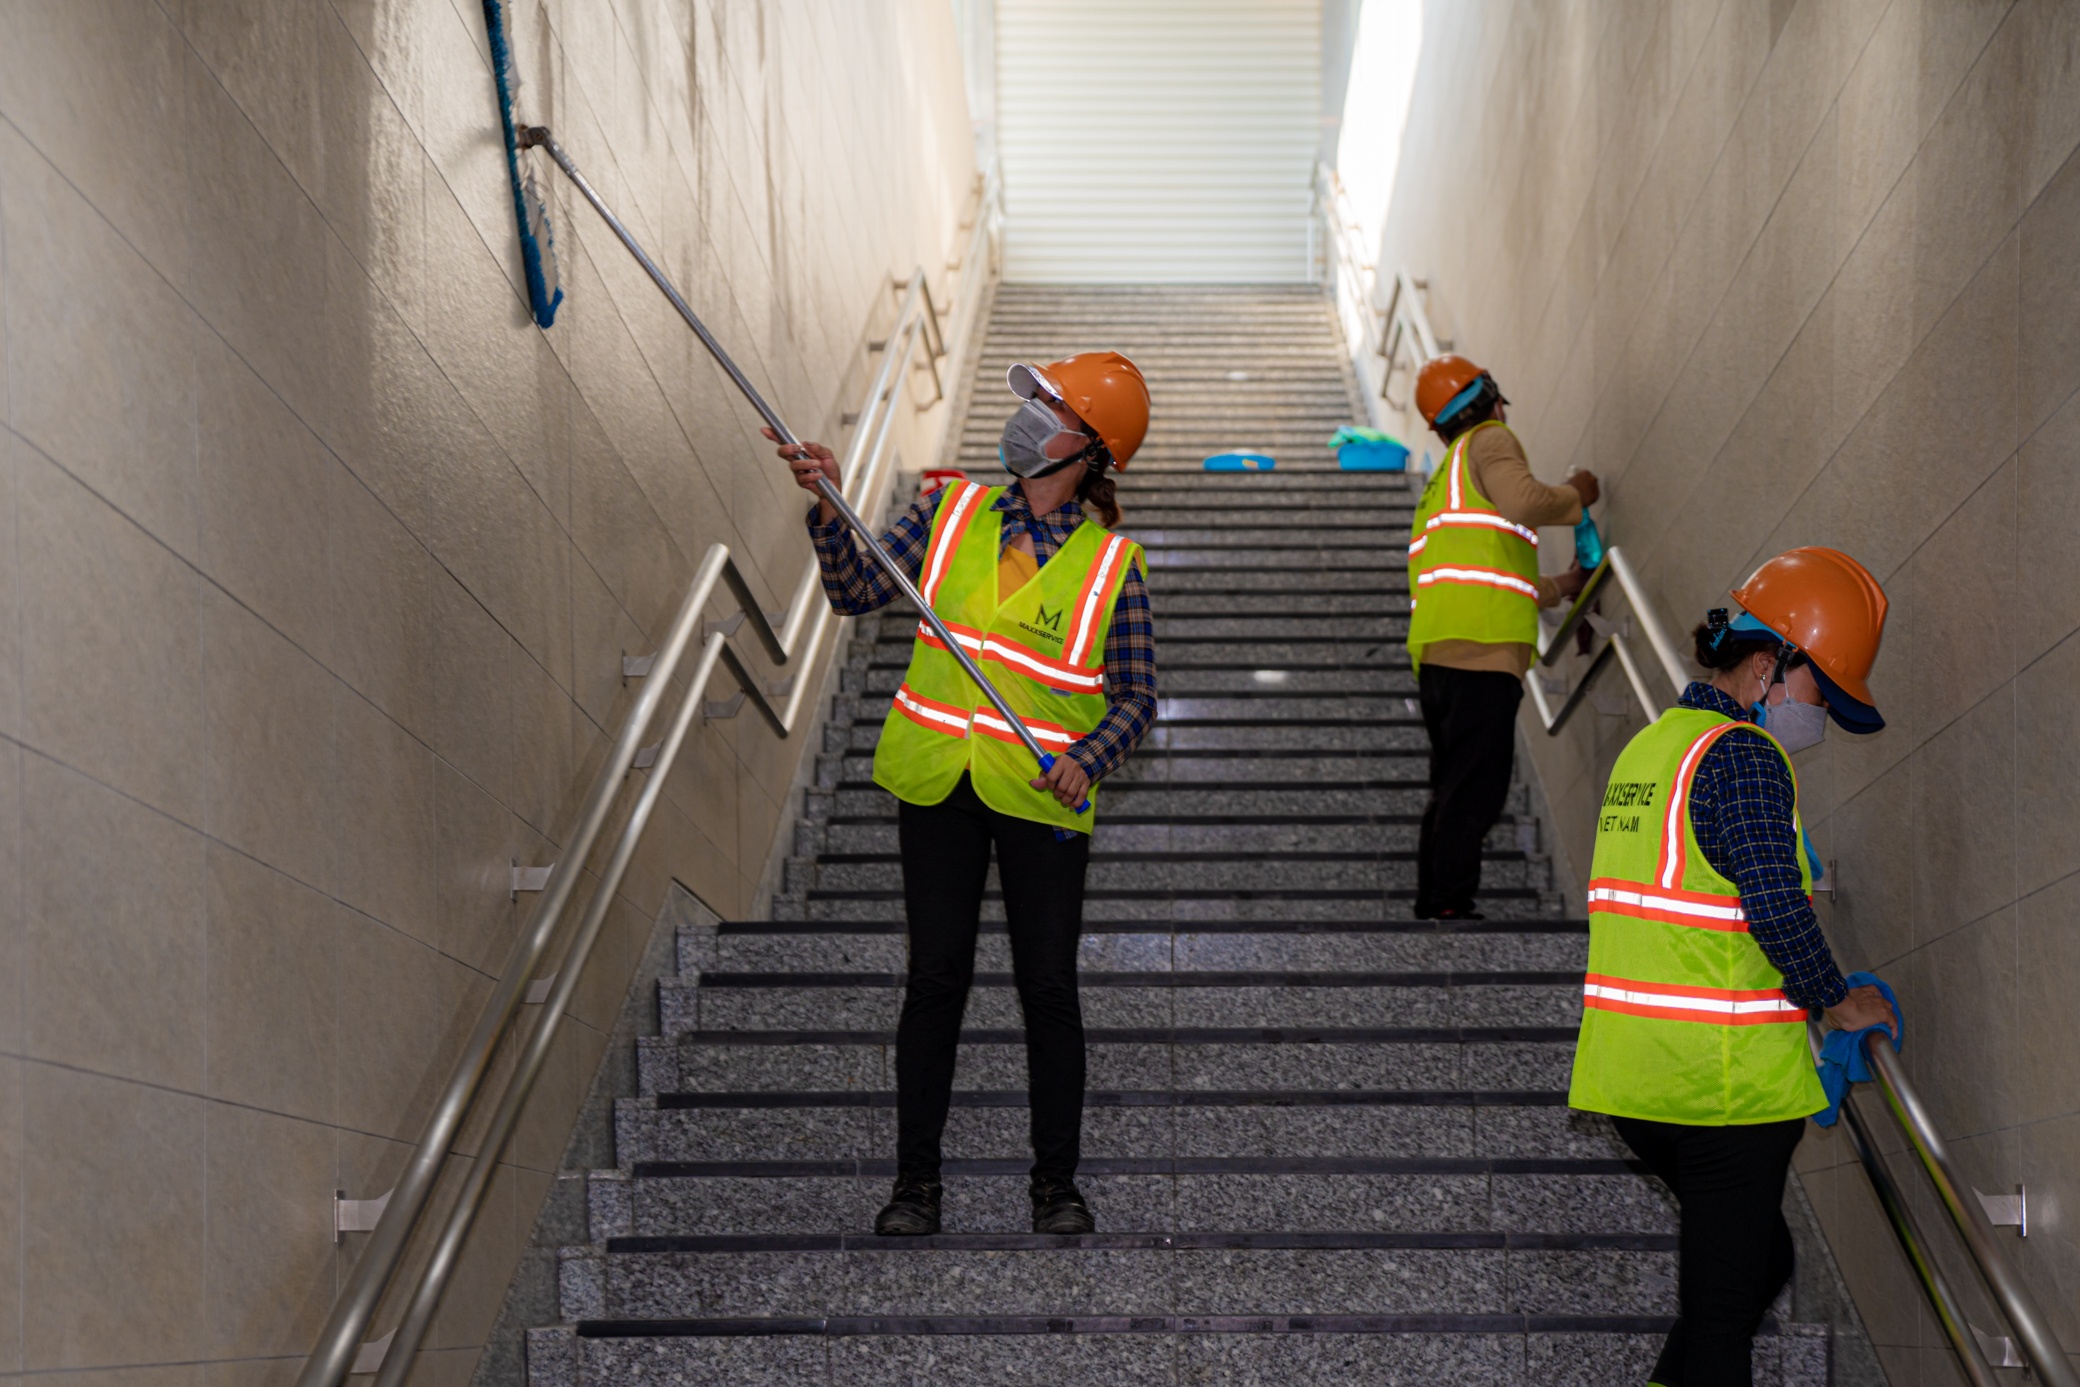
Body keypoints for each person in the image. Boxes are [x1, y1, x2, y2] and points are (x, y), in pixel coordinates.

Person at [768, 352, 1156, 1238]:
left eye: (1047, 408)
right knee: (935, 979)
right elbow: (854, 589)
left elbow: (1138, 697)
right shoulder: (951, 510)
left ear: (1087, 449)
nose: (1026, 418)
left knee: (1047, 987)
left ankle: (1056, 1186)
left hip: (1041, 801)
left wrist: (1088, 758)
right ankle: (916, 1187)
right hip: (937, 783)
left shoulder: (1113, 566)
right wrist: (829, 502)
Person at [1567, 546, 1899, 1387]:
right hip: (1719, 1088)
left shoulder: (1651, 754)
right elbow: (1775, 906)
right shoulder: (1743, 758)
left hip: (1638, 1083)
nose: (1818, 710)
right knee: (1723, 1316)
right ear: (1767, 665)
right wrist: (1838, 1000)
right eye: (1818, 685)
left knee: (1760, 1262)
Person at [1406, 354, 1598, 919]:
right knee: (1477, 788)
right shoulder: (1490, 441)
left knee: (1453, 784)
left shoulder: (1442, 483)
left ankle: (1437, 899)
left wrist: (1564, 586)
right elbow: (1525, 503)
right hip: (1482, 649)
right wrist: (1577, 493)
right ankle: (1447, 904)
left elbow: (1488, 573)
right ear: (1490, 400)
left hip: (1442, 652)